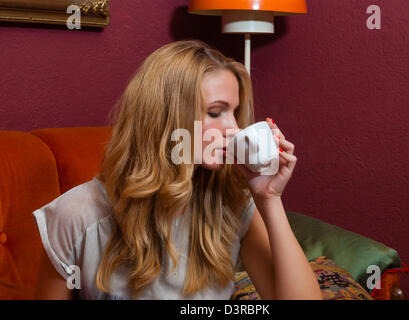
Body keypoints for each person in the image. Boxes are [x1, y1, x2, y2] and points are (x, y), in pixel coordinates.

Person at [32, 40, 322, 300]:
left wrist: (269, 198)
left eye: (234, 112)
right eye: (215, 112)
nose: (233, 129)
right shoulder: (75, 217)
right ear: (167, 119)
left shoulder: (231, 203)